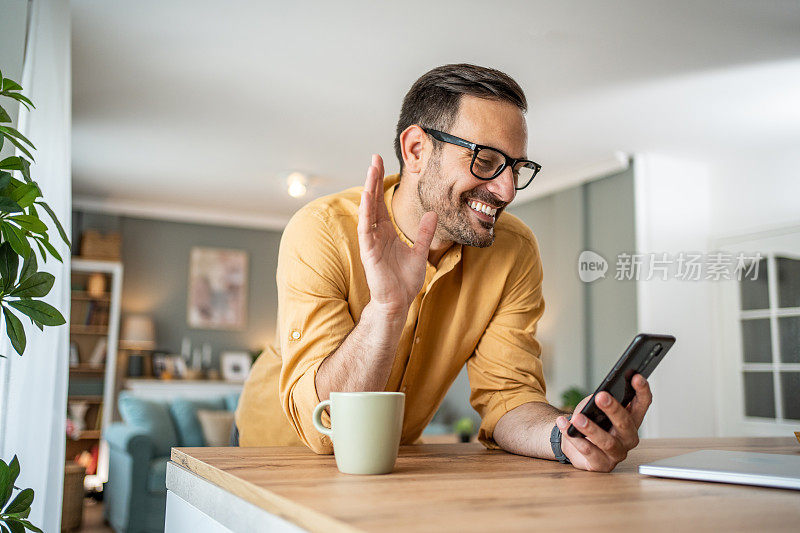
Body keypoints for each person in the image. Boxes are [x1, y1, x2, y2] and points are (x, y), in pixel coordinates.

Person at [235, 64, 652, 472]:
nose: (506, 189)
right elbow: (325, 429)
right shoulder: (321, 230)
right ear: (416, 150)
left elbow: (508, 396)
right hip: (272, 455)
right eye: (486, 161)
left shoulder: (514, 251)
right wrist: (386, 309)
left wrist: (567, 435)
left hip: (389, 462)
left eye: (517, 168)